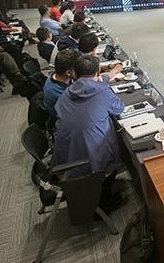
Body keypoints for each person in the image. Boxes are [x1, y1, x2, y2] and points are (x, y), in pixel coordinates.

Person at [52, 55, 126, 212]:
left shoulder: (65, 93)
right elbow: (119, 108)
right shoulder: (101, 91)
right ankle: (102, 202)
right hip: (89, 163)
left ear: (74, 74)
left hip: (63, 158)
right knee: (117, 141)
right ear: (98, 72)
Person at [43, 49, 82, 117]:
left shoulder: (57, 76)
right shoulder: (60, 95)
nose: (82, 70)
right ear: (68, 73)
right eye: (80, 68)